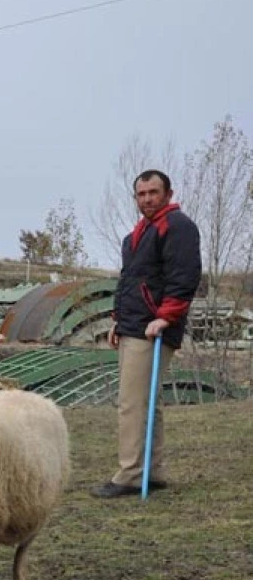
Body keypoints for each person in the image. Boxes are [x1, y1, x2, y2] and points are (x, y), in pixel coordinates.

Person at [92, 170, 201, 499]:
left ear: (168, 193)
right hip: (133, 326)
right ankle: (151, 472)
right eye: (141, 194)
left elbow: (185, 276)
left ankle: (129, 474)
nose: (147, 199)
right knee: (147, 403)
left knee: (132, 403)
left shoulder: (178, 226)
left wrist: (165, 317)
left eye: (154, 192)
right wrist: (118, 320)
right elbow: (130, 280)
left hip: (153, 328)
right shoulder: (136, 235)